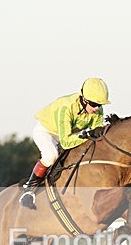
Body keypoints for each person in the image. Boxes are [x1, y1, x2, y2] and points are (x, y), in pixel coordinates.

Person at [19, 77, 110, 208]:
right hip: (46, 132)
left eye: (100, 105)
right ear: (84, 100)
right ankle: (29, 190)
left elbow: (96, 134)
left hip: (69, 135)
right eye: (93, 104)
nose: (96, 108)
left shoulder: (97, 111)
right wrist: (88, 135)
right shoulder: (66, 107)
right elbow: (66, 142)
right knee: (51, 156)